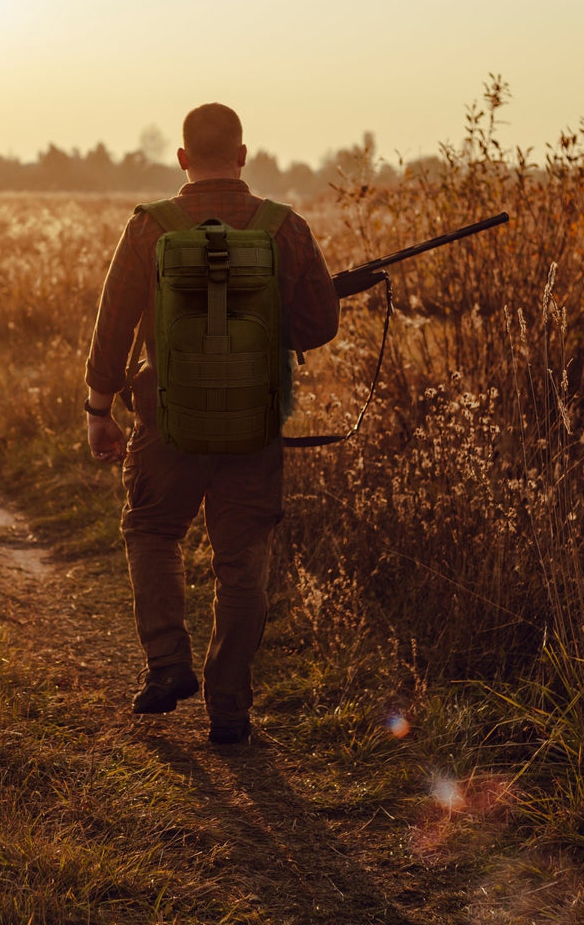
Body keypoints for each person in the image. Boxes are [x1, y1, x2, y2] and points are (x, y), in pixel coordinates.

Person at [84, 103, 339, 745]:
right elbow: (319, 326)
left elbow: (113, 327)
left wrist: (98, 410)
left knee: (150, 529)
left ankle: (168, 665)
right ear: (244, 155)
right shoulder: (285, 228)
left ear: (182, 158)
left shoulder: (150, 228)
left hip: (166, 418)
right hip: (253, 425)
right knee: (243, 558)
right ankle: (229, 709)